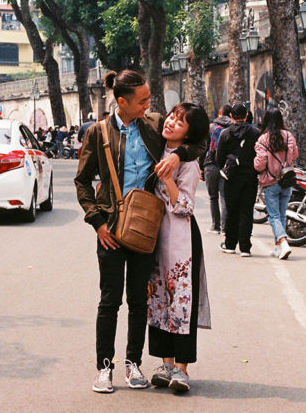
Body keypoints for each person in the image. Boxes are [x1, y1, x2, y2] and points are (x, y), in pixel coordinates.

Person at [74, 69, 205, 394]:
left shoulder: (152, 126)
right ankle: (105, 367)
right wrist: (97, 222)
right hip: (112, 228)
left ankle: (133, 364)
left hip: (147, 229)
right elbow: (82, 181)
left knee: (138, 301)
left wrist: (176, 156)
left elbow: (199, 141)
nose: (149, 105)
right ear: (122, 101)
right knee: (109, 301)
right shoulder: (98, 132)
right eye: (143, 100)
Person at [147, 102, 211, 393]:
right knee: (158, 299)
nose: (171, 122)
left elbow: (185, 207)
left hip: (181, 239)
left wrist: (169, 180)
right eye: (172, 116)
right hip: (155, 237)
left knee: (181, 303)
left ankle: (182, 370)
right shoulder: (156, 148)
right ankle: (166, 364)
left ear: (189, 134)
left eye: (180, 122)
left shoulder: (189, 162)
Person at [215, 102, 261, 256]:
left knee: (232, 210)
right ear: (246, 115)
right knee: (246, 211)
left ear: (231, 116)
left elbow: (219, 158)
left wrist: (226, 167)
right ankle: (245, 247)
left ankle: (229, 244)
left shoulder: (225, 134)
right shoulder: (256, 133)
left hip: (231, 177)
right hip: (250, 176)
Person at [254, 108, 298, 260]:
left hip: (270, 181)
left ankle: (283, 243)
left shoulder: (263, 139)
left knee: (273, 216)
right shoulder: (289, 136)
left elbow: (259, 164)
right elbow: (295, 154)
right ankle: (278, 248)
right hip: (287, 180)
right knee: (281, 214)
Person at [201, 104, 232, 235]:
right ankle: (225, 228)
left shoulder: (211, 127)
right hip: (225, 166)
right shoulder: (232, 128)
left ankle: (216, 226)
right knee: (224, 198)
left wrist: (201, 166)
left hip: (210, 165)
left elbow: (204, 148)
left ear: (220, 113)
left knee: (213, 198)